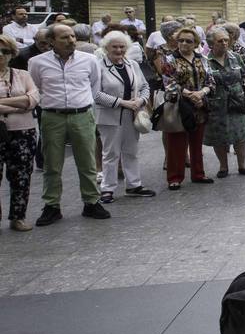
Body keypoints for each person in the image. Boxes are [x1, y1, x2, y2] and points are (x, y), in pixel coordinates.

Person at [27, 24, 109, 224]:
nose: (71, 40)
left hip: (82, 115)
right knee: (52, 163)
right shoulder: (37, 62)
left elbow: (94, 86)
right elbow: (36, 87)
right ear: (51, 41)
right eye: (64, 37)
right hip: (52, 116)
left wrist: (82, 105)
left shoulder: (89, 60)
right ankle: (52, 205)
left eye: (72, 36)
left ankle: (91, 201)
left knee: (87, 162)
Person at [94, 30, 155, 204]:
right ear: (106, 47)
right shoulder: (98, 66)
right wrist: (122, 102)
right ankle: (107, 189)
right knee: (110, 154)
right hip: (109, 116)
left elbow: (144, 86)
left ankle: (134, 185)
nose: (119, 50)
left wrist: (141, 100)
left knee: (131, 151)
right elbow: (96, 93)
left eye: (122, 46)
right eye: (115, 47)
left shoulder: (132, 64)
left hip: (131, 115)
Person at [159, 27, 215, 191]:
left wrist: (201, 94)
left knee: (197, 142)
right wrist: (190, 95)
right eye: (181, 40)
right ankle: (174, 177)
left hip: (199, 105)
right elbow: (168, 82)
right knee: (176, 142)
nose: (184, 43)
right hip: (178, 105)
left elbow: (211, 81)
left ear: (196, 43)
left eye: (188, 41)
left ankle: (198, 173)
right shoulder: (169, 59)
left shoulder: (203, 59)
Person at [0, 34, 39, 230]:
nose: (0, 55)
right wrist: (18, 103)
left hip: (22, 132)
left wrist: (6, 104)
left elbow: (31, 100)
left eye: (5, 51)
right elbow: (23, 102)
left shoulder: (22, 75)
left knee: (21, 176)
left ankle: (18, 217)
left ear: (12, 54)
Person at [204, 26, 245, 179]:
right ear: (212, 44)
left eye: (226, 40)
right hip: (217, 102)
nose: (224, 43)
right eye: (220, 41)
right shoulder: (205, 61)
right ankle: (223, 166)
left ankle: (242, 165)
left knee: (240, 133)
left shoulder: (236, 57)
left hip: (236, 100)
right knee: (219, 135)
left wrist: (243, 93)